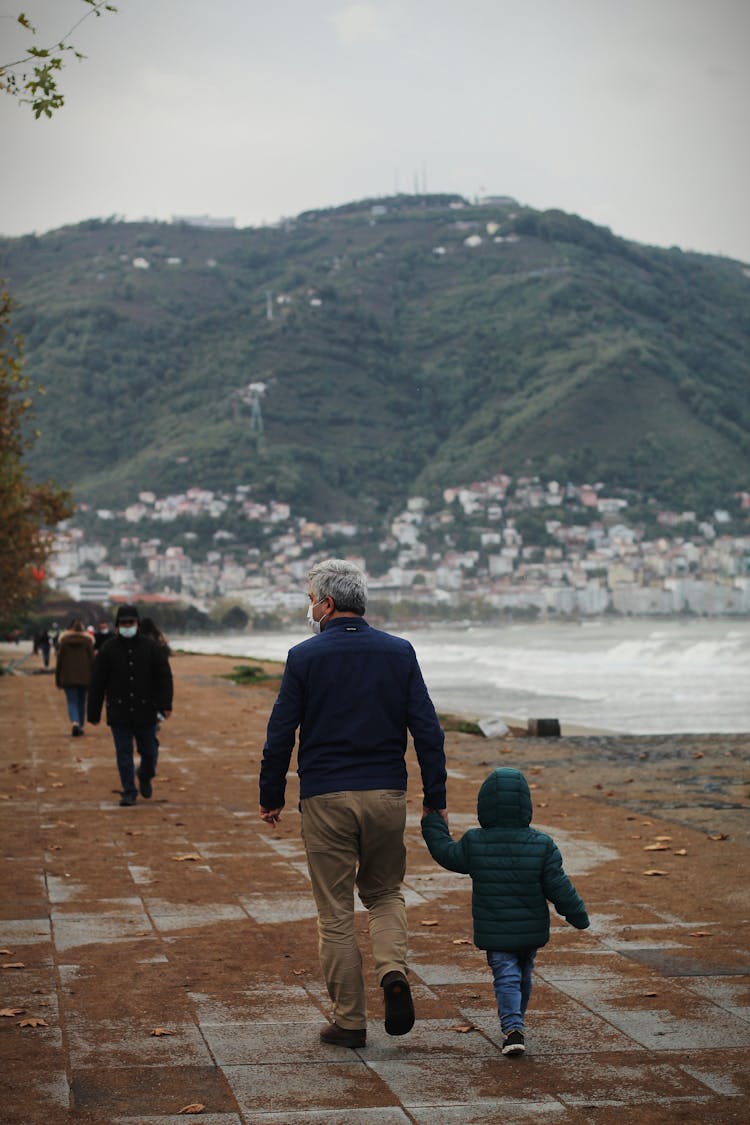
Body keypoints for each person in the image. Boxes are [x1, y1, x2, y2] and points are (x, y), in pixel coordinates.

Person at [259, 558, 447, 1049]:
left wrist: (271, 796)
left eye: (310, 600)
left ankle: (350, 1022)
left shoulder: (304, 657)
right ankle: (393, 973)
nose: (309, 608)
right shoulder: (399, 652)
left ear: (327, 603)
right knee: (385, 894)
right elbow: (427, 730)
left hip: (326, 797)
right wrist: (436, 799)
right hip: (386, 794)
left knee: (336, 911)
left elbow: (281, 733)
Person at [421, 766, 590, 1057]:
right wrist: (577, 915)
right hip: (531, 930)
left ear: (484, 806)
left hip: (495, 930)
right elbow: (559, 886)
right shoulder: (542, 845)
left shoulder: (475, 842)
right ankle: (515, 1024)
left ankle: (514, 1028)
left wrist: (433, 823)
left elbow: (447, 854)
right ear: (526, 806)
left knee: (507, 975)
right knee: (523, 974)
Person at [87, 604, 173, 807]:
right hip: (119, 711)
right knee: (123, 754)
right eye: (123, 623)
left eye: (130, 622)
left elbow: (164, 677)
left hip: (146, 710)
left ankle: (144, 775)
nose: (127, 626)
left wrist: (165, 704)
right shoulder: (108, 649)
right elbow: (98, 682)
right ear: (118, 625)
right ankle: (128, 790)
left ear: (137, 623)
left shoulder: (151, 648)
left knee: (150, 751)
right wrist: (93, 712)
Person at [54, 619, 94, 736]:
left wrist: (58, 679)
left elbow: (59, 662)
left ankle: (75, 723)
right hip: (85, 677)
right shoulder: (88, 641)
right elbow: (92, 660)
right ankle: (80, 725)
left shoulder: (64, 641)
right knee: (82, 702)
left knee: (72, 701)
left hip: (68, 677)